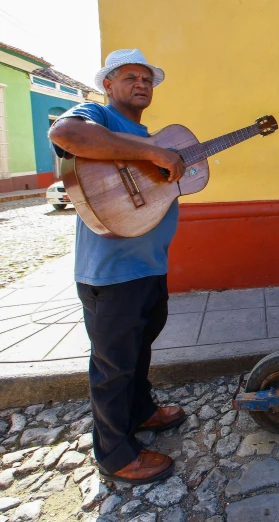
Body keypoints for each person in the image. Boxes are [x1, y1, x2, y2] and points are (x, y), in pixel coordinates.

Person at [48, 49, 187, 485]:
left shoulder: (147, 133)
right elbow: (66, 133)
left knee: (139, 351)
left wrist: (163, 157)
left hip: (147, 266)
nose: (141, 85)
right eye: (130, 77)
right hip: (109, 274)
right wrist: (152, 151)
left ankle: (142, 411)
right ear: (108, 85)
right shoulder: (98, 117)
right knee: (112, 368)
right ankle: (114, 454)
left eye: (147, 79)